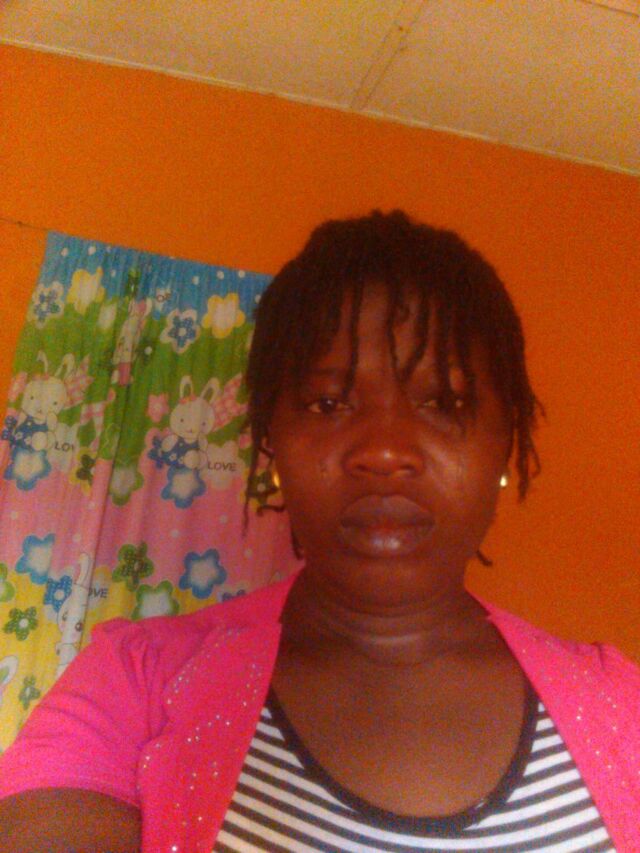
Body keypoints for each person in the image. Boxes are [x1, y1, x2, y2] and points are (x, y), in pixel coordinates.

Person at [0, 210, 638, 852]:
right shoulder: (134, 684)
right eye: (328, 403)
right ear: (272, 439)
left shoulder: (621, 707)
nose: (384, 452)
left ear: (507, 443)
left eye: (443, 403)